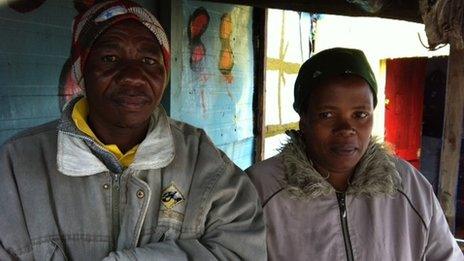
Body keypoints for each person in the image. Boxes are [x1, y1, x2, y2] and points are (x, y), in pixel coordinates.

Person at [0, 1, 266, 260]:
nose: (132, 76)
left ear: (164, 74)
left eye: (149, 60)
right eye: (110, 58)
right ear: (82, 70)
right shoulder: (15, 164)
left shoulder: (203, 161)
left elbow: (241, 249)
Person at [246, 47, 464, 260]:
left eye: (360, 114)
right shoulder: (258, 191)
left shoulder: (408, 186)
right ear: (304, 120)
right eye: (327, 114)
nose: (346, 128)